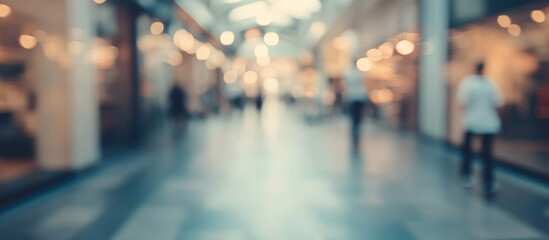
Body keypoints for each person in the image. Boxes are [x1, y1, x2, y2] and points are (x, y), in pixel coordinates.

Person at [457, 62, 503, 195]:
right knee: (487, 154)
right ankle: (488, 182)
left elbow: (463, 103)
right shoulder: (491, 84)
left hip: (472, 122)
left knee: (467, 150)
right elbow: (498, 104)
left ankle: (467, 176)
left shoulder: (468, 83)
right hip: (488, 123)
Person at [343, 61, 368, 151]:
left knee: (354, 116)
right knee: (358, 116)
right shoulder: (360, 74)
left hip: (352, 98)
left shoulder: (348, 74)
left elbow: (346, 86)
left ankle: (354, 129)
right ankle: (356, 128)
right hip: (360, 97)